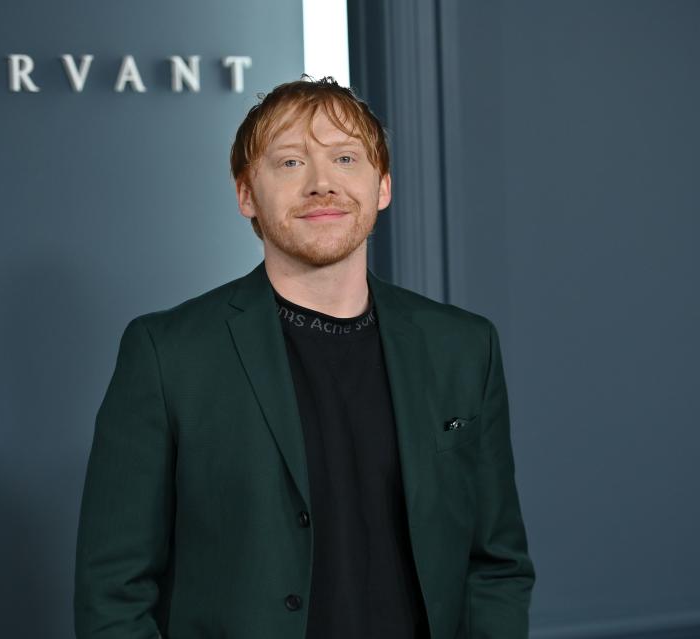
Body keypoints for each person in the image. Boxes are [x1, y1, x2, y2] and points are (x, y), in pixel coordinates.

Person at [74, 76, 535, 639]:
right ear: (246, 194)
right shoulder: (167, 352)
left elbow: (498, 562)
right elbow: (113, 593)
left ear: (383, 186)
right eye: (290, 163)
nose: (322, 184)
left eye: (345, 157)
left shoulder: (463, 346)